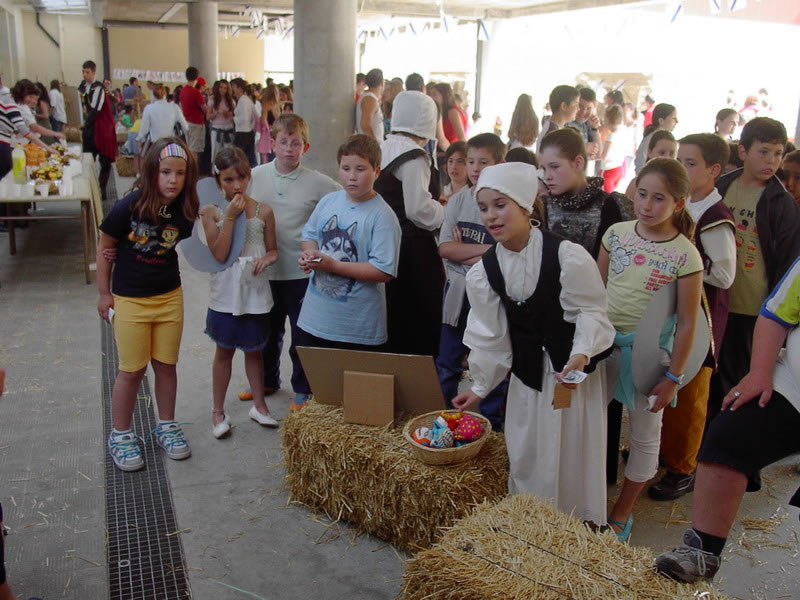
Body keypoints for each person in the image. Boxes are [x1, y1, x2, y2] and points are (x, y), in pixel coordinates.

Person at [452, 162, 615, 525]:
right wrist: (479, 387)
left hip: (568, 374)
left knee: (570, 449)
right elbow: (491, 336)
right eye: (483, 207)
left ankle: (574, 522)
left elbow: (591, 311)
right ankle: (532, 522)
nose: (491, 216)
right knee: (528, 451)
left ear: (526, 207)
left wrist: (581, 353)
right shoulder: (486, 271)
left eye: (500, 205)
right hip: (528, 378)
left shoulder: (567, 256)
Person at [655, 259, 800, 582]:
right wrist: (759, 372)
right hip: (794, 384)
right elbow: (775, 315)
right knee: (730, 434)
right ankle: (702, 551)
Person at [599, 158, 704, 541]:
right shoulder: (616, 234)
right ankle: (588, 498)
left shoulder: (685, 255)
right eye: (642, 194)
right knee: (590, 424)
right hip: (602, 347)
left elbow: (688, 322)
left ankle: (622, 511)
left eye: (658, 198)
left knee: (645, 433)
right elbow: (594, 290)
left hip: (648, 357)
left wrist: (673, 376)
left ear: (679, 203)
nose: (646, 205)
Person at [96, 138, 198, 471]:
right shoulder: (128, 206)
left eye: (180, 173)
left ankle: (166, 425)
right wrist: (104, 293)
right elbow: (105, 245)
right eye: (165, 172)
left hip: (169, 298)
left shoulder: (185, 209)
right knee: (132, 370)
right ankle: (120, 434)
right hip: (130, 300)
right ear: (151, 170)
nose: (173, 179)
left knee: (166, 365)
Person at [649, 134, 736, 501]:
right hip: (672, 313)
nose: (681, 168)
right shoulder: (685, 206)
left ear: (713, 170)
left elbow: (726, 274)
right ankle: (663, 449)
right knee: (665, 381)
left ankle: (683, 467)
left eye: (690, 163)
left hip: (702, 319)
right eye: (679, 161)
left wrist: (683, 264)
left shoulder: (716, 217)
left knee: (690, 394)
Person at [242, 114, 340, 411]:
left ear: (305, 147)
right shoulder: (254, 176)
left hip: (300, 274)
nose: (288, 149)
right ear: (272, 143)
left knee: (302, 335)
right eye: (283, 142)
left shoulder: (320, 183)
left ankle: (302, 388)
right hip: (264, 270)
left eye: (295, 143)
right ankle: (267, 381)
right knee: (266, 333)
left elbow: (344, 203)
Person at [709, 117, 800, 424]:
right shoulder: (721, 187)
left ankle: (729, 445)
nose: (771, 161)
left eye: (778, 153)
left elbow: (787, 264)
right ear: (743, 152)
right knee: (707, 378)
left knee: (735, 382)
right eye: (763, 152)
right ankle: (699, 445)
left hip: (751, 311)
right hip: (714, 303)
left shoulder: (781, 203)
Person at [200, 148, 279, 437]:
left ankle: (259, 406)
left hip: (254, 291)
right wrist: (231, 217)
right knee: (224, 351)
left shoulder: (263, 211)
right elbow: (220, 253)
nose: (237, 185)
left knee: (254, 349)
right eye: (228, 179)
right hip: (225, 293)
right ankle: (218, 412)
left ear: (249, 176)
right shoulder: (211, 212)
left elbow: (273, 250)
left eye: (242, 178)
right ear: (218, 180)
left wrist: (267, 258)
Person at [297, 134, 401, 351]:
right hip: (315, 318)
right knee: (311, 372)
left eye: (360, 169)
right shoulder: (328, 201)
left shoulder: (383, 216)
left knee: (353, 374)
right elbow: (309, 236)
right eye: (345, 168)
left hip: (356, 328)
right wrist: (310, 255)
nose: (352, 177)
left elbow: (383, 270)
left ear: (376, 172)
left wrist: (333, 266)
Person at [437, 133, 507, 428]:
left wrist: (463, 250)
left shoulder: (505, 204)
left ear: (500, 163)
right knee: (447, 362)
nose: (475, 168)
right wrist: (489, 250)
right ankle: (444, 420)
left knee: (491, 361)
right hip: (458, 293)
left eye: (483, 162)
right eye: (471, 161)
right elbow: (445, 249)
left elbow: (507, 255)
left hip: (493, 296)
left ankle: (492, 425)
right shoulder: (458, 201)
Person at [375, 91, 445, 356]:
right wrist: (444, 212)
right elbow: (418, 210)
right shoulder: (414, 156)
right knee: (419, 315)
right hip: (413, 249)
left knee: (391, 313)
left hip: (384, 242)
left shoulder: (383, 147)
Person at [540, 128, 632, 258]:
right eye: (544, 169)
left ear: (578, 163)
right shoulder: (542, 207)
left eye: (554, 167)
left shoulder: (613, 206)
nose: (547, 176)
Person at [78, 60, 116, 199]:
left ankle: (102, 189)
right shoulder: (82, 87)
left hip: (101, 129)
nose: (84, 74)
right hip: (90, 129)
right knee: (88, 160)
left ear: (94, 72)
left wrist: (85, 123)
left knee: (105, 162)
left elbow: (96, 109)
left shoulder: (99, 88)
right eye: (83, 72)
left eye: (87, 72)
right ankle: (88, 189)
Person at [137, 84, 188, 157]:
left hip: (155, 145)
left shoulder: (149, 108)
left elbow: (144, 130)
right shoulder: (174, 107)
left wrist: (139, 140)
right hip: (171, 145)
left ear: (153, 95)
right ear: (165, 94)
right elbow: (185, 126)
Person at [625, 131, 677, 198]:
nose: (667, 157)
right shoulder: (636, 183)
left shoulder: (677, 185)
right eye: (662, 152)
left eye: (672, 153)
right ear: (649, 152)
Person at [634, 103, 678, 173]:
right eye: (674, 118)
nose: (677, 121)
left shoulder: (667, 139)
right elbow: (640, 161)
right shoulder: (651, 139)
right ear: (661, 121)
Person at [536, 85, 579, 152]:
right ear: (564, 106)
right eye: (576, 105)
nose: (578, 109)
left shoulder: (554, 128)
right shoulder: (553, 134)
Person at [179, 67, 206, 162]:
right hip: (196, 123)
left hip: (187, 122)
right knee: (194, 151)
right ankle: (193, 170)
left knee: (189, 148)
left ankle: (190, 168)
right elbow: (204, 109)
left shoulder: (183, 91)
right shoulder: (196, 92)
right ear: (197, 77)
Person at [567, 87, 601, 161]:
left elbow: (598, 154)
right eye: (581, 106)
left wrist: (595, 128)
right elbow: (561, 152)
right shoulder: (567, 123)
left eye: (589, 108)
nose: (583, 112)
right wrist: (583, 149)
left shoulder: (588, 124)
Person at [206, 79, 235, 162]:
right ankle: (215, 168)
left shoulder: (231, 101)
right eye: (221, 87)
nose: (223, 90)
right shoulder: (212, 99)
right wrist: (216, 113)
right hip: (217, 128)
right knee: (216, 152)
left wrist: (227, 114)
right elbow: (208, 117)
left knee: (229, 153)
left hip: (229, 128)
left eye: (225, 88)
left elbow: (234, 115)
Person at [600, 104, 627, 193]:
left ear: (608, 119)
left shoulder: (611, 136)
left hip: (609, 171)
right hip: (619, 169)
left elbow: (604, 155)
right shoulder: (623, 132)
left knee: (606, 196)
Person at [231, 77, 257, 167]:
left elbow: (245, 118)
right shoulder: (246, 100)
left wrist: (233, 119)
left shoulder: (243, 101)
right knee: (248, 157)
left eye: (233, 87)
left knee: (240, 157)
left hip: (242, 132)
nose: (232, 89)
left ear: (239, 88)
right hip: (247, 131)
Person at [355, 68, 384, 142]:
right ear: (382, 83)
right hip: (370, 146)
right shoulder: (370, 99)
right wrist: (375, 144)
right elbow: (365, 125)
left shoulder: (369, 97)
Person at [256, 84, 280, 164]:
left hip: (268, 133)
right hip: (277, 131)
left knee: (266, 158)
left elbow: (263, 121)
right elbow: (279, 118)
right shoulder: (278, 104)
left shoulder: (266, 104)